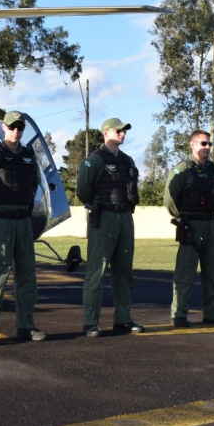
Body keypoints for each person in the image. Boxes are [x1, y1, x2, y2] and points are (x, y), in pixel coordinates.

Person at [0, 110, 46, 346]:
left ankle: (26, 325)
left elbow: (33, 183)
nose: (16, 131)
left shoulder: (28, 156)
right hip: (0, 222)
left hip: (23, 221)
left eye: (20, 127)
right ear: (3, 127)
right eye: (12, 126)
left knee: (27, 275)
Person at [76, 118, 144, 337]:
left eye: (124, 131)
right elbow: (82, 190)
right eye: (118, 131)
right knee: (96, 272)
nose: (122, 134)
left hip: (125, 218)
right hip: (104, 217)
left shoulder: (127, 160)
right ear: (106, 133)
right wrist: (98, 206)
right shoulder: (95, 160)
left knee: (124, 272)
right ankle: (91, 322)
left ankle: (123, 319)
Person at [163, 129, 214, 327]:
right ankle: (179, 314)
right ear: (193, 145)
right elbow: (169, 199)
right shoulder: (182, 169)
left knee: (213, 272)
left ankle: (212, 313)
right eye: (203, 143)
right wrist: (181, 218)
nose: (207, 147)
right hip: (191, 224)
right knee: (185, 272)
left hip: (211, 223)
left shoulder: (213, 170)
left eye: (209, 144)